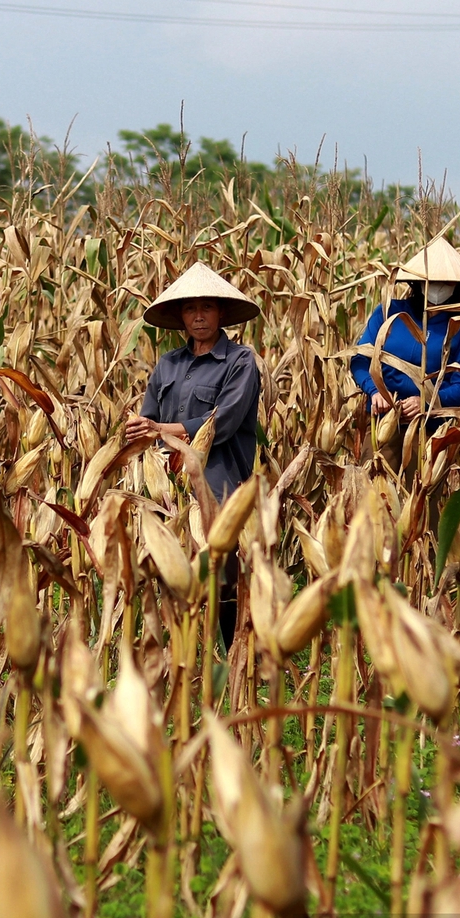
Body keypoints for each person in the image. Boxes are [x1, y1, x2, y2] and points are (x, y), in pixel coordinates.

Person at [123, 261, 261, 647]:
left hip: (218, 480)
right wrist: (136, 429)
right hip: (168, 482)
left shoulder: (240, 362)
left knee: (222, 569)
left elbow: (225, 420)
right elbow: (148, 420)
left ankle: (234, 653)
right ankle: (178, 649)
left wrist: (162, 430)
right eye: (190, 308)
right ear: (181, 316)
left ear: (220, 312)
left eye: (207, 307)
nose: (198, 316)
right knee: (170, 566)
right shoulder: (168, 365)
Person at [350, 236, 460, 434]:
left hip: (430, 430)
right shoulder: (389, 312)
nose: (438, 285)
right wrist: (376, 391)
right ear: (418, 281)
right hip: (381, 423)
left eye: (446, 281)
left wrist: (426, 402)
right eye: (432, 279)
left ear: (458, 285)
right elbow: (360, 360)